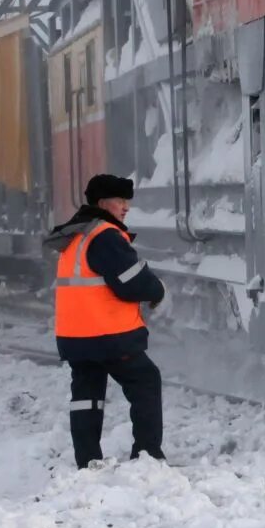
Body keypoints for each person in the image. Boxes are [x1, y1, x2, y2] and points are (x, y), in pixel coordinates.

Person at [48, 174, 166, 469]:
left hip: (76, 337)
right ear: (103, 203)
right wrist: (158, 291)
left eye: (127, 201)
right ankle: (147, 454)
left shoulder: (77, 235)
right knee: (145, 381)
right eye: (120, 200)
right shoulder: (105, 236)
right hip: (108, 335)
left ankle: (87, 460)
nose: (126, 207)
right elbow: (132, 283)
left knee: (87, 396)